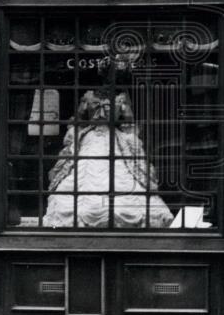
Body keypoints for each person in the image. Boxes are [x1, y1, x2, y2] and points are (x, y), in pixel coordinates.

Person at [43, 87, 173, 229]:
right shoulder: (89, 96)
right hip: (90, 138)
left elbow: (128, 121)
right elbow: (79, 118)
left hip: (114, 139)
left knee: (122, 175)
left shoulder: (119, 98)